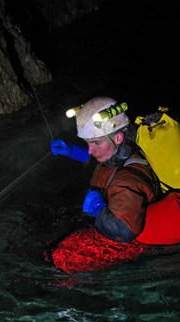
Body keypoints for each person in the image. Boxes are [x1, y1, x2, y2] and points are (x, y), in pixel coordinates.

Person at [51, 96, 161, 243]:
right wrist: (70, 150)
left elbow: (123, 231)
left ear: (117, 138)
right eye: (87, 143)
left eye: (96, 143)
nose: (90, 150)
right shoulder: (118, 153)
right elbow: (98, 162)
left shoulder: (126, 180)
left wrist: (98, 209)